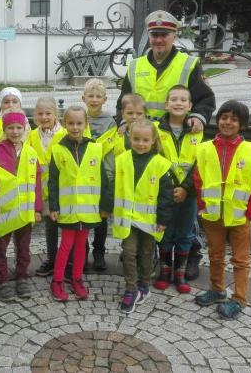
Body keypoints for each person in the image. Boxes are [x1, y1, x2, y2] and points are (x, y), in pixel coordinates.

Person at [117, 10, 216, 279]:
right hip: (145, 144)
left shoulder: (188, 64)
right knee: (150, 199)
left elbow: (206, 99)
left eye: (164, 34)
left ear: (174, 36)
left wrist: (197, 116)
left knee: (184, 207)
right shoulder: (135, 66)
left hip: (178, 139)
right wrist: (122, 122)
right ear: (148, 36)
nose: (159, 39)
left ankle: (190, 253)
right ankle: (152, 254)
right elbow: (122, 103)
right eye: (154, 34)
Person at [194, 100, 251, 319]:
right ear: (218, 120)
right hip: (213, 213)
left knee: (240, 259)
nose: (228, 122)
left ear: (241, 124)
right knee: (215, 255)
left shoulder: (250, 151)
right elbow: (198, 178)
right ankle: (217, 289)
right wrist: (202, 204)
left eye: (234, 119)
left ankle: (239, 298)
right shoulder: (205, 148)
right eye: (224, 117)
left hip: (239, 215)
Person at [49, 106, 112, 302]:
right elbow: (53, 180)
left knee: (80, 246)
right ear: (64, 123)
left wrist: (105, 206)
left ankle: (77, 279)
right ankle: (58, 280)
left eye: (79, 123)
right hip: (67, 211)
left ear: (86, 125)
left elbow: (103, 178)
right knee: (66, 245)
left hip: (89, 209)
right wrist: (53, 206)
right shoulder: (58, 149)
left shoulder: (95, 148)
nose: (75, 127)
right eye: (71, 123)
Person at [112, 119, 174, 313]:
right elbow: (114, 186)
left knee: (146, 254)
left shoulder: (161, 164)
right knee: (129, 253)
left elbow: (166, 196)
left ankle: (144, 286)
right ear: (130, 137)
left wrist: (163, 220)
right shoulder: (122, 159)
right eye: (136, 139)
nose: (140, 143)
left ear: (153, 140)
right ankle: (131, 289)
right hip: (127, 219)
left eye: (145, 140)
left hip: (149, 221)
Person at [0, 111, 42, 301]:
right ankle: (2, 280)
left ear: (25, 129)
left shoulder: (31, 153)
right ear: (4, 129)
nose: (15, 132)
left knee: (23, 247)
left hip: (25, 211)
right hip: (4, 211)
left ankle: (22, 276)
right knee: (0, 247)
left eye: (19, 128)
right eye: (11, 128)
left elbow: (37, 183)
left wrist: (38, 208)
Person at [153, 85, 202, 294]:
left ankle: (180, 273)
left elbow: (199, 163)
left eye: (183, 100)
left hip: (188, 194)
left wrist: (185, 188)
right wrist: (171, 186)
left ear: (190, 106)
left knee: (185, 233)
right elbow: (153, 158)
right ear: (166, 104)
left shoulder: (197, 132)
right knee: (165, 232)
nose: (178, 103)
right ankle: (165, 270)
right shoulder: (156, 129)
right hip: (164, 192)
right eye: (174, 99)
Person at [81, 78, 116, 272]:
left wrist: (109, 176)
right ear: (83, 97)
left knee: (102, 217)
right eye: (90, 96)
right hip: (84, 176)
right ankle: (82, 251)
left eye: (98, 96)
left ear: (105, 99)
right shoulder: (80, 118)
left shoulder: (109, 122)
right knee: (84, 215)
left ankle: (99, 251)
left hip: (102, 174)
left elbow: (109, 151)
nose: (94, 100)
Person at [30, 97, 67, 277]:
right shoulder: (30, 135)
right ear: (34, 116)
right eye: (40, 114)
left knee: (69, 227)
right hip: (42, 191)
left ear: (56, 115)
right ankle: (52, 259)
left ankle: (71, 261)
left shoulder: (65, 134)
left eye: (48, 113)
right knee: (50, 228)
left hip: (63, 191)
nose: (44, 117)